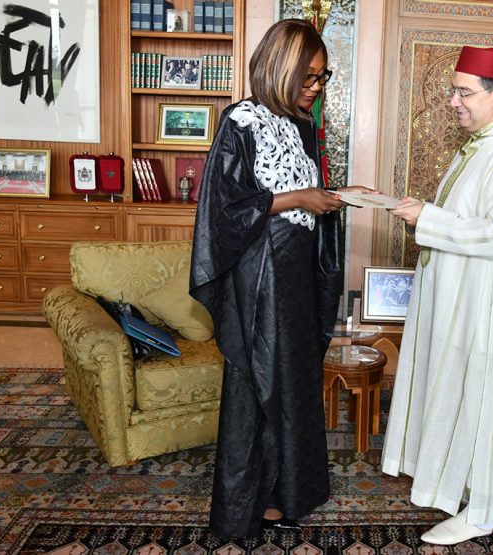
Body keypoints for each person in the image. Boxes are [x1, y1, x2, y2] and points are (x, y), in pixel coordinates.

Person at [189, 19, 368, 540]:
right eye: (308, 76)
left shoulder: (302, 124)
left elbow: (305, 197)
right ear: (279, 68)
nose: (316, 86)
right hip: (261, 277)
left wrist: (336, 196)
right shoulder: (240, 121)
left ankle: (288, 493)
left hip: (296, 276)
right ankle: (251, 504)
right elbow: (224, 208)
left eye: (322, 76)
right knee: (260, 383)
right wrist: (299, 198)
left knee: (293, 384)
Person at [382, 46, 493, 545]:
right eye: (453, 91)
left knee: (484, 402)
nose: (453, 101)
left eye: (464, 92)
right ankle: (462, 487)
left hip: (487, 309)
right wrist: (422, 212)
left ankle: (482, 513)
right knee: (457, 396)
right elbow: (467, 217)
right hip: (459, 301)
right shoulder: (481, 144)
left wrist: (426, 218)